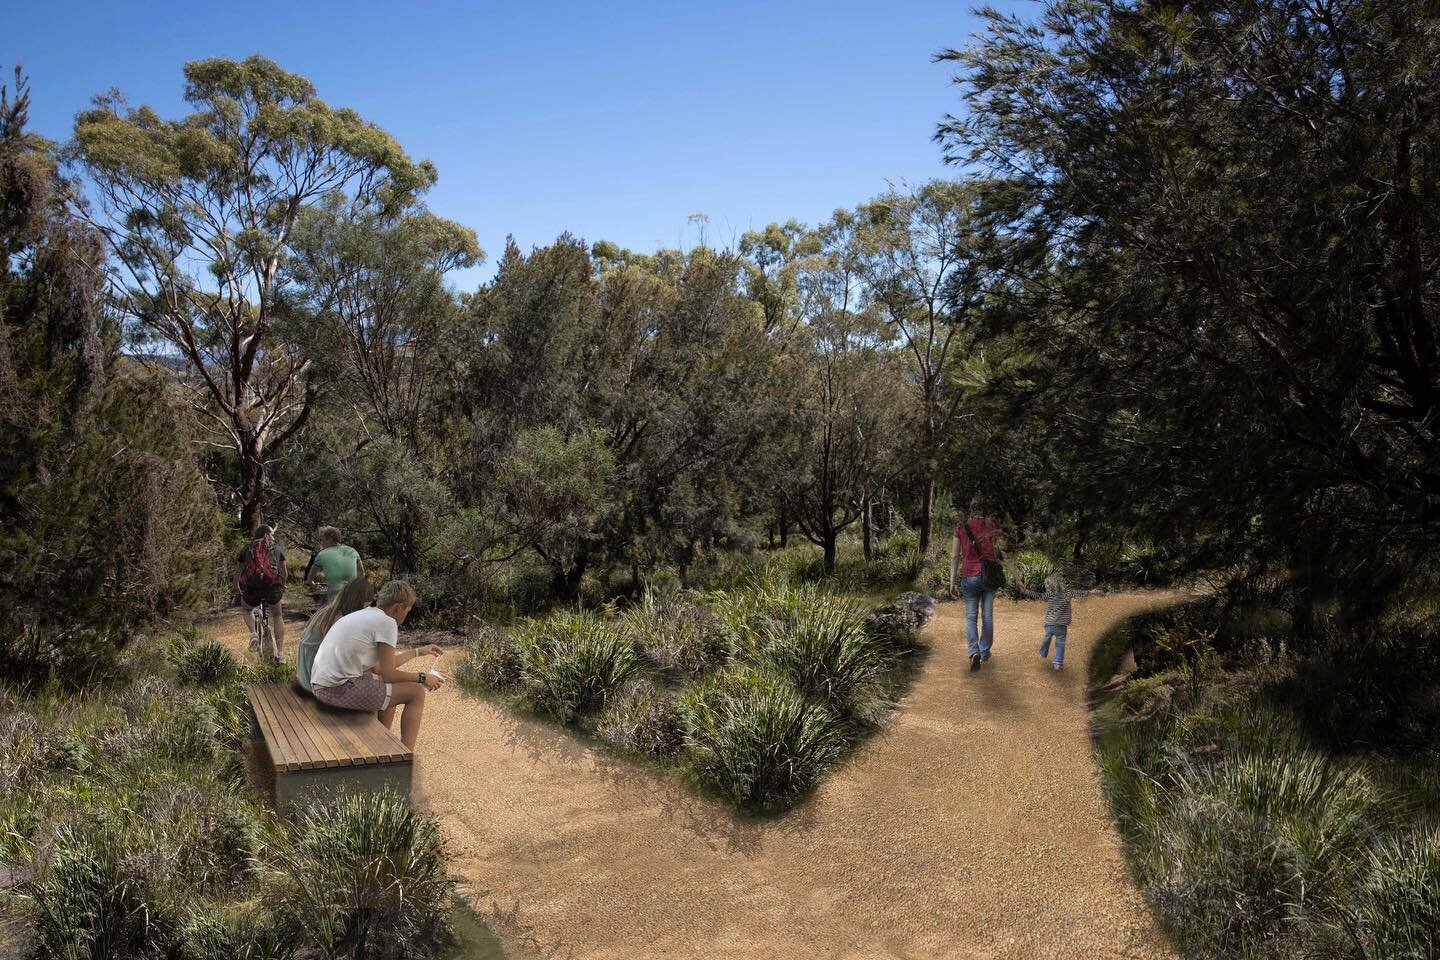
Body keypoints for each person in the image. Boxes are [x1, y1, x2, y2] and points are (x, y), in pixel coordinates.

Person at [309, 581, 446, 749]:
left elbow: (380, 669)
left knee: (388, 688)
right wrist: (423, 677)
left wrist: (418, 651)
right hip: (334, 691)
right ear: (398, 607)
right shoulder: (387, 623)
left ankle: (381, 747)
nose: (406, 616)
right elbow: (389, 674)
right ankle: (406, 757)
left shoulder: (366, 615)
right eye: (407, 611)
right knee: (416, 693)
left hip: (322, 687)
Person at [949, 499, 1006, 672]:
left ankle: (974, 651)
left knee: (971, 616)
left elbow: (954, 556)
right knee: (987, 616)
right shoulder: (991, 526)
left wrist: (952, 582)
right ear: (985, 511)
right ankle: (984, 650)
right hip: (988, 576)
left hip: (969, 576)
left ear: (970, 511)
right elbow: (1002, 549)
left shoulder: (960, 527)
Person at [296, 576, 376, 694]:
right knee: (383, 684)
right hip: (317, 687)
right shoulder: (341, 620)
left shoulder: (329, 612)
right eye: (365, 606)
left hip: (306, 680)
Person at [236, 524, 288, 662]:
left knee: (247, 610)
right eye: (272, 534)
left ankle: (253, 633)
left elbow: (239, 571)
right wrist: (283, 584)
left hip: (252, 588)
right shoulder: (276, 549)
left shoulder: (247, 549)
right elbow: (284, 572)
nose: (273, 536)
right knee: (277, 615)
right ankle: (281, 654)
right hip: (272, 587)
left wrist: (236, 585)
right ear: (266, 534)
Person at [1019, 572, 1086, 671]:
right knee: (1060, 643)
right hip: (1062, 625)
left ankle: (1043, 652)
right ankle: (1057, 663)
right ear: (1061, 583)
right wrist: (1093, 592)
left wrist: (1026, 591)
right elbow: (1080, 593)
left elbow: (1038, 595)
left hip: (1050, 624)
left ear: (1048, 585)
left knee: (1047, 637)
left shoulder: (1049, 595)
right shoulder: (1068, 593)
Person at [305, 526, 364, 605]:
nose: (321, 543)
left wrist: (312, 584)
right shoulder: (352, 551)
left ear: (330, 539)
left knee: (323, 606)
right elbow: (362, 573)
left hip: (334, 595)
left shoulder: (322, 554)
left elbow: (310, 576)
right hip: (353, 594)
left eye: (322, 540)